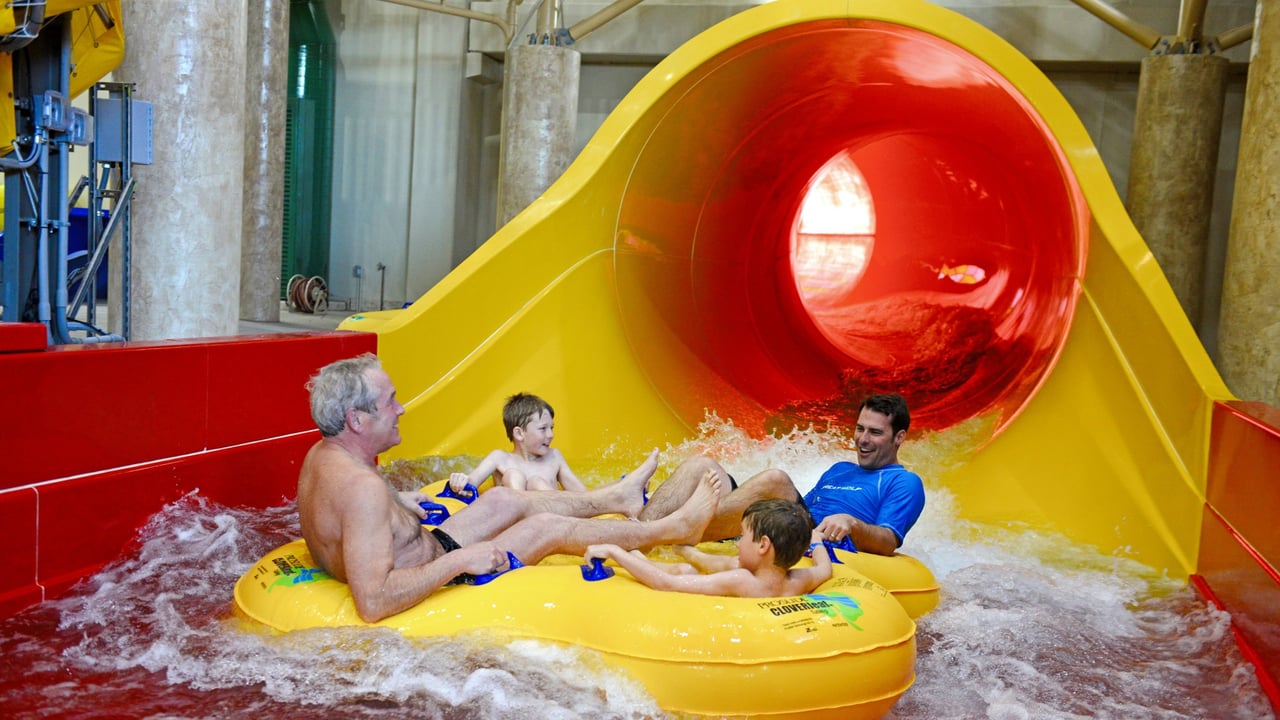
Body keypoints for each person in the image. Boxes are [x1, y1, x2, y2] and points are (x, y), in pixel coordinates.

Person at [296, 353, 723, 623]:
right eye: (390, 400)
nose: (401, 408)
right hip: (436, 574)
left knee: (504, 496)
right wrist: (460, 559)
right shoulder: (361, 488)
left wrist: (396, 502)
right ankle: (672, 529)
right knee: (548, 527)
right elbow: (373, 603)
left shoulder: (324, 457)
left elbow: (349, 517)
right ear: (356, 419)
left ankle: (613, 497)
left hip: (426, 546)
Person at [639, 393, 924, 556]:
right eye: (860, 428)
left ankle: (670, 529)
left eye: (875, 432)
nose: (862, 439)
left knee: (776, 480)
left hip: (811, 539)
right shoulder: (840, 470)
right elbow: (800, 505)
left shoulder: (904, 482)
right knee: (703, 465)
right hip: (787, 527)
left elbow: (888, 541)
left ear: (899, 438)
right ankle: (640, 532)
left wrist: (851, 523)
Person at [584, 499, 832, 598]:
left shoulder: (742, 580)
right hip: (758, 580)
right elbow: (825, 569)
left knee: (684, 572)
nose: (737, 543)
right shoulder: (797, 580)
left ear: (763, 545)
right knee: (723, 563)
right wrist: (817, 540)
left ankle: (643, 556)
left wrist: (616, 552)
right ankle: (690, 552)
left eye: (743, 536)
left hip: (717, 594)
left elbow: (667, 585)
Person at [447, 392, 657, 493]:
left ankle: (630, 482)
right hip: (513, 522)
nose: (550, 435)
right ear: (519, 434)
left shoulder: (554, 458)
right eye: (543, 429)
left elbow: (583, 497)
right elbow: (470, 485)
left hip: (551, 521)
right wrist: (458, 481)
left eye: (552, 428)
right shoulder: (499, 459)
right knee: (515, 476)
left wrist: (623, 483)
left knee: (537, 483)